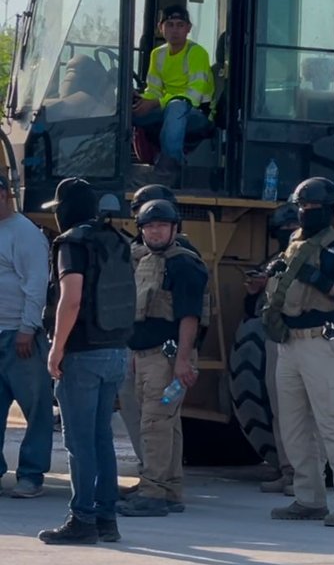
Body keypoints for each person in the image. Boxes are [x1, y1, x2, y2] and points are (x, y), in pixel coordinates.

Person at [262, 177, 334, 527]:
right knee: (294, 428)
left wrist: (324, 282)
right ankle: (309, 498)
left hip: (323, 342)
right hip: (290, 343)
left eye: (312, 208)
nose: (305, 213)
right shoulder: (294, 244)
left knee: (333, 424)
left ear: (330, 211)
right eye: (301, 207)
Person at [38, 178, 134, 544]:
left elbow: (71, 298)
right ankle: (106, 519)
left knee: (79, 442)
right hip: (115, 350)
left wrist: (56, 348)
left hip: (82, 353)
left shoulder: (72, 243)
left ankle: (82, 519)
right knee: (101, 438)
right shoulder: (116, 238)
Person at [116, 200, 209, 517]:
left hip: (167, 357)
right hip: (144, 356)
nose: (154, 231)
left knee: (155, 424)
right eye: (148, 226)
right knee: (166, 425)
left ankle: (154, 492)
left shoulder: (184, 265)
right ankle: (167, 488)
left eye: (161, 225)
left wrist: (183, 360)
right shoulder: (143, 261)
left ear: (174, 228)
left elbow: (189, 318)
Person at [0, 174, 53, 498]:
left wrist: (27, 328)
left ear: (4, 194)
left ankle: (31, 475)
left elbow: (36, 284)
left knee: (35, 408)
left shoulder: (25, 234)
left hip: (19, 337)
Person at [245, 203, 301, 496]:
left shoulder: (313, 259)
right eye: (284, 232)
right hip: (274, 337)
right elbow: (251, 309)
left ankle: (305, 477)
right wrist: (255, 289)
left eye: (294, 230)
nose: (289, 236)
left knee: (303, 413)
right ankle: (287, 470)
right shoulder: (274, 261)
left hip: (304, 338)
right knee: (280, 409)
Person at [132, 5, 214, 177]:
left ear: (188, 28)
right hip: (167, 108)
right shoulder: (157, 54)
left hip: (197, 114)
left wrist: (155, 103)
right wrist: (141, 99)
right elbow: (153, 89)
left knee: (176, 106)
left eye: (180, 25)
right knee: (126, 109)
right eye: (170, 24)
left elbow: (194, 97)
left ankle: (171, 169)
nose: (175, 30)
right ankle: (114, 166)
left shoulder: (197, 53)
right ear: (160, 28)